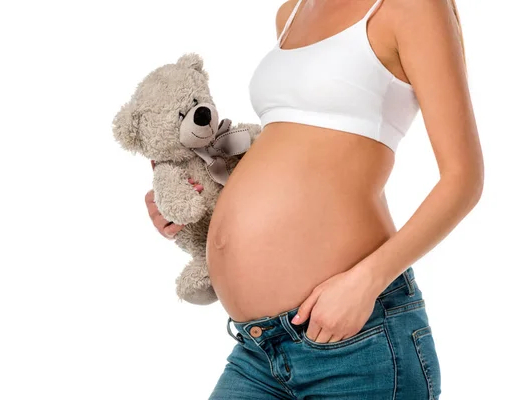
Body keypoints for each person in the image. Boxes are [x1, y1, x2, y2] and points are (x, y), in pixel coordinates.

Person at [146, 0, 482, 398]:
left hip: (357, 342)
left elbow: (464, 179)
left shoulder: (411, 7)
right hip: (260, 347)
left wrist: (365, 283)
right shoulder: (291, 12)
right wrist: (198, 201)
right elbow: (299, 153)